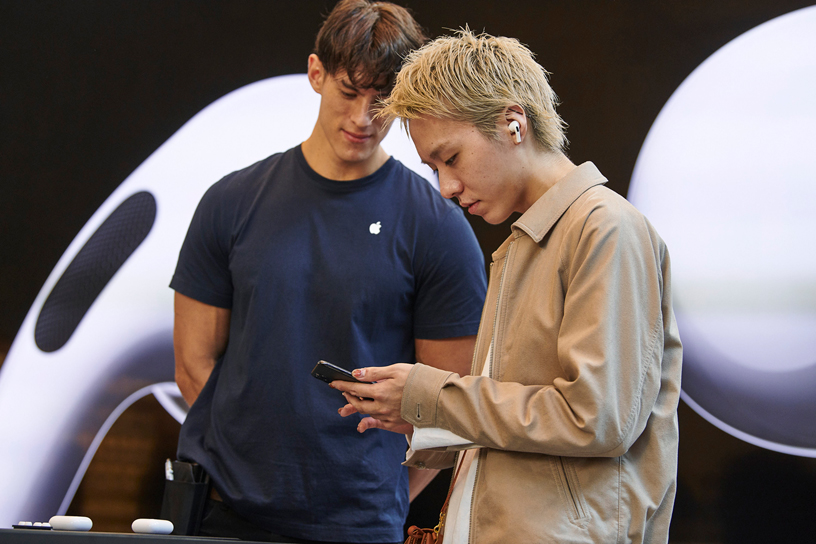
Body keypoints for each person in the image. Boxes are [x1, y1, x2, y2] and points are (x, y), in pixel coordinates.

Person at [332, 29, 683, 544]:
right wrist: (418, 414)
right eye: (432, 168)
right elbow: (526, 423)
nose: (446, 189)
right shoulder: (522, 243)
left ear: (513, 123)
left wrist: (433, 395)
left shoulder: (605, 227)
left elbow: (596, 419)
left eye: (450, 159)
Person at [169, 2, 487, 542]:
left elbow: (448, 406)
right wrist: (250, 469)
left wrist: (375, 492)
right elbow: (192, 364)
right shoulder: (231, 201)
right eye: (349, 91)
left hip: (358, 522)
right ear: (316, 73)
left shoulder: (437, 227)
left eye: (383, 99)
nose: (364, 118)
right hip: (223, 512)